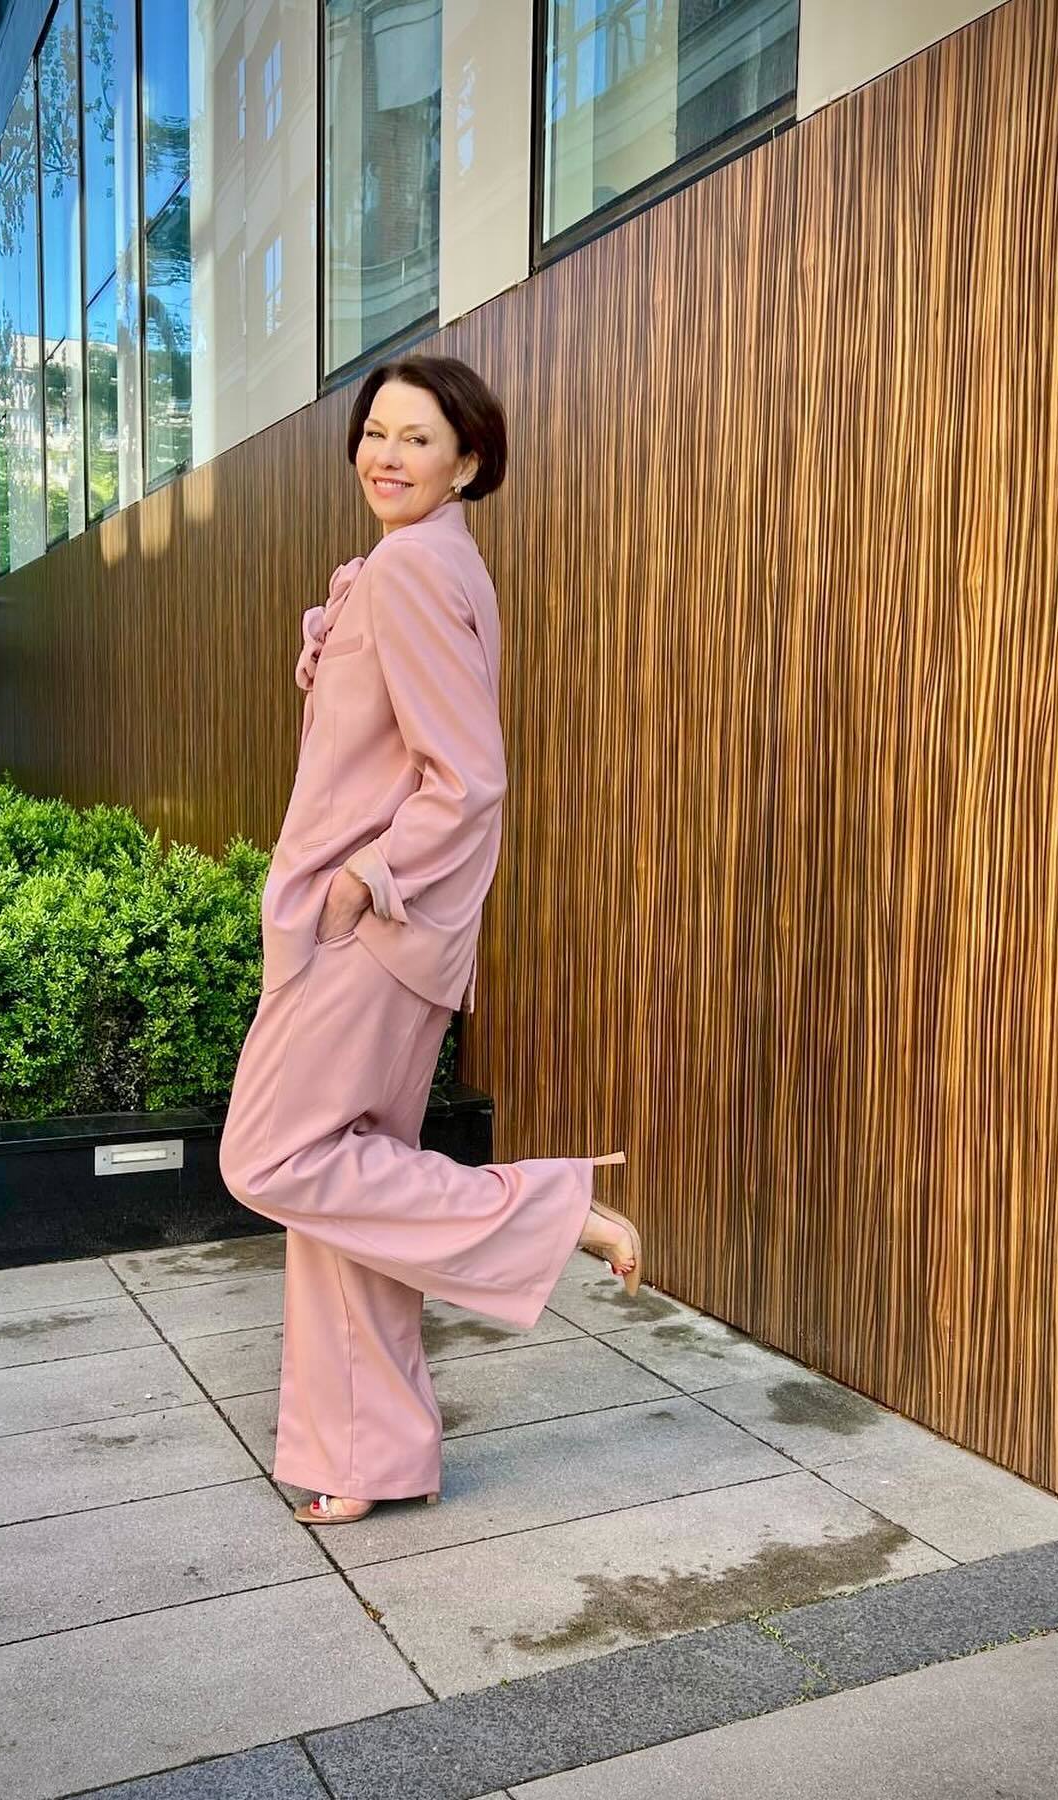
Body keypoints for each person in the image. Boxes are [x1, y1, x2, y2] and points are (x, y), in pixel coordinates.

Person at [218, 354, 643, 1526]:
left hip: (371, 931)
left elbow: (468, 778)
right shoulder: (427, 561)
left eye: (417, 438)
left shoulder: (412, 569)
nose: (386, 455)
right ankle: (368, 1457)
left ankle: (548, 1216)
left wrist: (361, 883)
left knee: (273, 1158)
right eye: (375, 433)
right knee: (344, 1196)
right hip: (384, 934)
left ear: (468, 461)